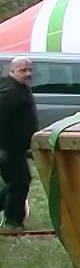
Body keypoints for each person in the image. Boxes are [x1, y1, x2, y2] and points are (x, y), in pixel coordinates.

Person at [0, 57, 37, 230]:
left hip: (16, 148)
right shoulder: (9, 92)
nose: (28, 73)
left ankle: (13, 218)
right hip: (8, 147)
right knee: (19, 182)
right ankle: (13, 220)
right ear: (12, 71)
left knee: (17, 182)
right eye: (23, 70)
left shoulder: (20, 88)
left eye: (29, 70)